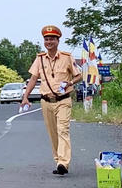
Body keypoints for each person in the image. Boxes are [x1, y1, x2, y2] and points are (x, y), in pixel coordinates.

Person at [21, 25, 81, 175]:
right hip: (46, 101)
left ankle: (63, 162)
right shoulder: (40, 59)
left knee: (63, 130)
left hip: (63, 100)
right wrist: (25, 96)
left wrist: (70, 82)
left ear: (58, 41)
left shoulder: (67, 57)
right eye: (46, 39)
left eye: (52, 39)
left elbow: (78, 75)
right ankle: (58, 160)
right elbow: (33, 78)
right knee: (53, 133)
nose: (49, 42)